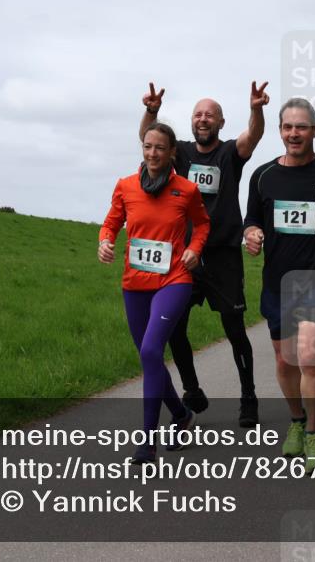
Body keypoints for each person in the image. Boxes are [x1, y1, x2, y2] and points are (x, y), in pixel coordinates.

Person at [140, 81, 268, 427]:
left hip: (223, 254)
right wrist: (151, 111)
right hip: (185, 256)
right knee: (174, 327)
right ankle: (192, 389)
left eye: (210, 115)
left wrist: (256, 109)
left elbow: (252, 138)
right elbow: (148, 140)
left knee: (235, 329)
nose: (203, 118)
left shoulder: (229, 153)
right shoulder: (179, 153)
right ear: (191, 121)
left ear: (221, 123)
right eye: (198, 114)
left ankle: (248, 396)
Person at [243, 97, 315, 472]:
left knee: (308, 356)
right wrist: (252, 234)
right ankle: (295, 421)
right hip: (277, 281)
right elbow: (249, 220)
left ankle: (313, 433)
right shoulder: (262, 175)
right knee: (284, 359)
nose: (294, 134)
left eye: (302, 127)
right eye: (288, 127)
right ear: (280, 131)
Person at [98, 122, 210, 464]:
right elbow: (111, 222)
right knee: (149, 358)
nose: (152, 153)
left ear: (172, 152)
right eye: (148, 146)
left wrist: (194, 247)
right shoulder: (125, 186)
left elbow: (203, 224)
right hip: (135, 284)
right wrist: (105, 241)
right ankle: (180, 414)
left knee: (150, 350)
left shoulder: (186, 190)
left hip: (174, 279)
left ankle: (147, 443)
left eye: (160, 148)